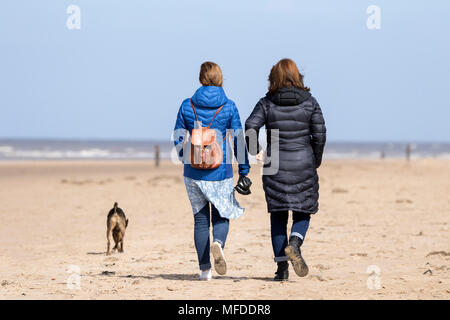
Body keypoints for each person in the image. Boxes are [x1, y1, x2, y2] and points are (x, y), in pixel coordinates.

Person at [245, 58, 326, 281]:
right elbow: (319, 135)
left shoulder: (266, 103)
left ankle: (281, 271)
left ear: (274, 78)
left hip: (275, 164)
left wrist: (257, 151)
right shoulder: (310, 102)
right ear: (297, 75)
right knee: (303, 211)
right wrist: (315, 160)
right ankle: (295, 243)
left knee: (278, 216)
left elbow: (250, 126)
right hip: (303, 162)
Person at [173, 61, 252, 280]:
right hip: (221, 171)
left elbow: (178, 135)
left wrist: (184, 156)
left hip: (193, 172)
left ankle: (205, 270)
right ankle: (218, 243)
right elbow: (238, 139)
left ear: (200, 79)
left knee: (200, 221)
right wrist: (244, 170)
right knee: (221, 215)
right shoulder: (228, 105)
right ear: (220, 79)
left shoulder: (187, 105)